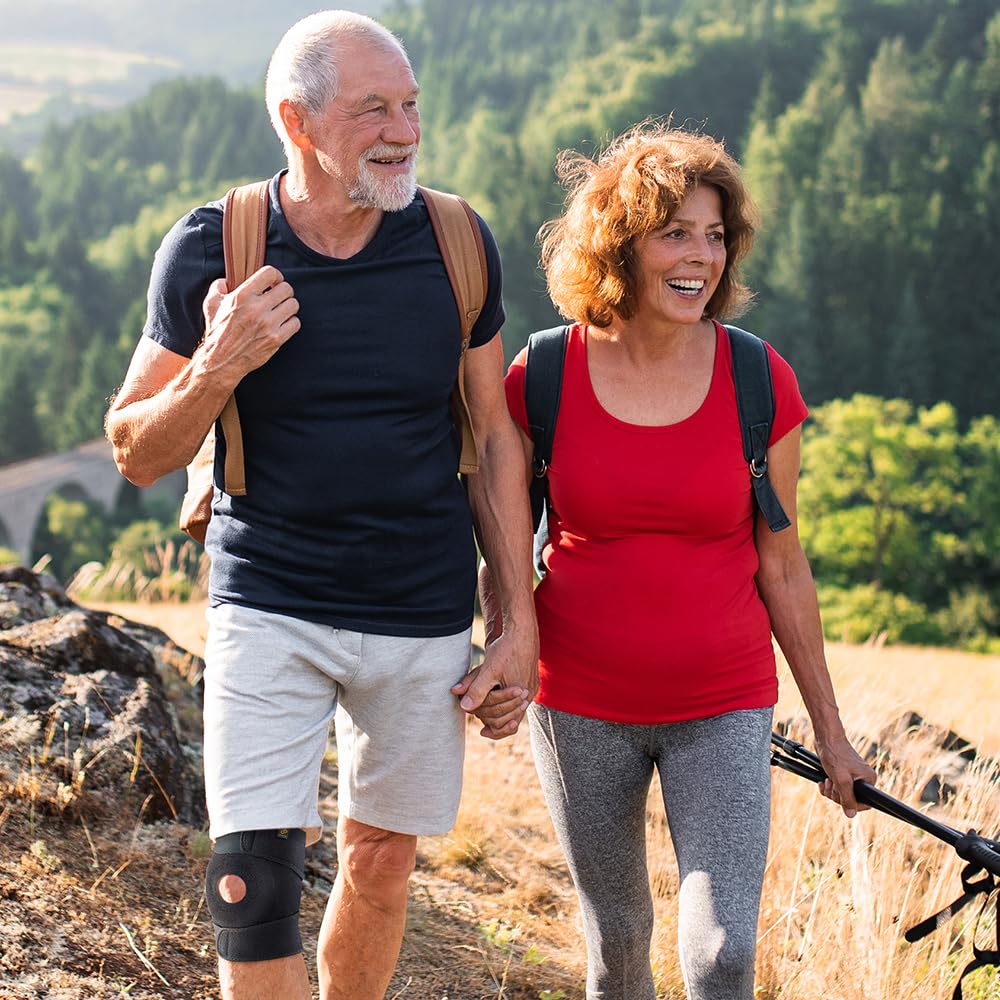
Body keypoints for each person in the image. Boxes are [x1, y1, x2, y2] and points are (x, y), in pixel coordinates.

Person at [105, 11, 537, 1000]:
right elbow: (135, 450)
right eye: (374, 108)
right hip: (269, 599)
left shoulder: (457, 241)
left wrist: (518, 624)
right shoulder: (214, 245)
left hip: (420, 609)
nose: (404, 131)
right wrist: (217, 364)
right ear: (296, 122)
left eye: (411, 106)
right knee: (251, 881)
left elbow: (494, 438)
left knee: (379, 862)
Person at [479, 122, 877, 1000]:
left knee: (723, 951)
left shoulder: (759, 380)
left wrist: (833, 735)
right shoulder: (542, 375)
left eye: (715, 235)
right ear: (620, 246)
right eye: (675, 233)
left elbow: (783, 566)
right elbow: (504, 544)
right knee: (618, 946)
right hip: (579, 704)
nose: (701, 255)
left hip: (723, 704)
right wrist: (506, 640)